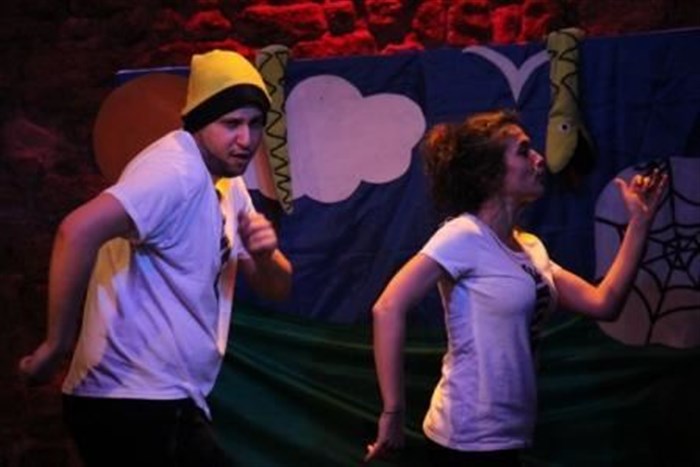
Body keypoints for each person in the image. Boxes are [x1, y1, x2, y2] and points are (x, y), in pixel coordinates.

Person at [18, 49, 293, 467]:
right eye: (231, 124)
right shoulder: (174, 172)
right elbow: (76, 231)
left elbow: (277, 287)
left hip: (163, 401)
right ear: (199, 123)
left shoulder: (226, 182)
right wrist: (56, 345)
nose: (246, 139)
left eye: (255, 124)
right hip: (128, 403)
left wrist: (266, 254)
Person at [365, 109, 666, 466]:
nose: (539, 159)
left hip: (509, 435)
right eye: (524, 151)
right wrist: (394, 412)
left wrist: (639, 223)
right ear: (489, 174)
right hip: (465, 438)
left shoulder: (531, 248)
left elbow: (605, 303)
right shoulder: (464, 234)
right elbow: (388, 307)